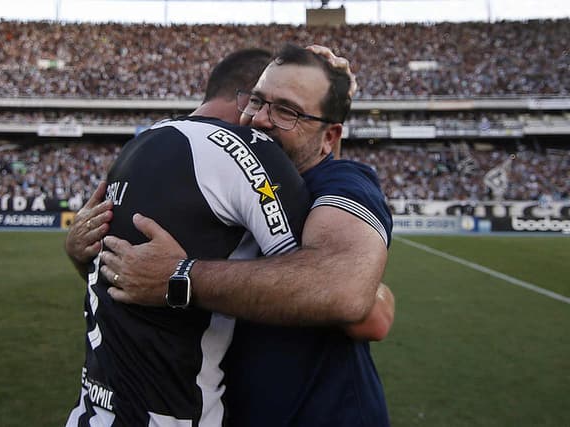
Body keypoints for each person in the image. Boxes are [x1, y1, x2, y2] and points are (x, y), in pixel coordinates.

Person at [71, 45, 394, 426]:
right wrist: (85, 252)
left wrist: (181, 276)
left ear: (329, 137)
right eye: (256, 100)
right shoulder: (228, 180)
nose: (259, 120)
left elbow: (355, 301)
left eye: (287, 111)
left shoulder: (339, 182)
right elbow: (138, 278)